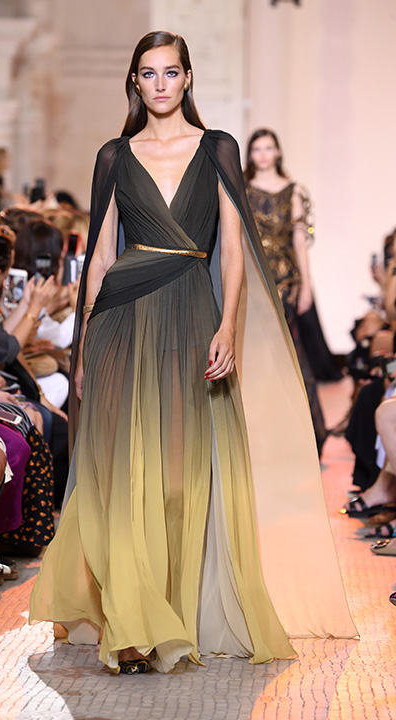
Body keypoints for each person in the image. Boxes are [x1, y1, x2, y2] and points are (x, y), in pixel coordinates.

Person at [29, 31, 356, 675]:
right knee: (124, 473)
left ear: (187, 79)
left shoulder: (218, 149)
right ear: (134, 81)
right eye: (148, 73)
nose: (160, 84)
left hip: (193, 318)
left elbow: (233, 250)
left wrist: (228, 325)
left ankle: (175, 609)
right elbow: (99, 256)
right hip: (122, 318)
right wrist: (85, 348)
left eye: (170, 72)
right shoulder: (114, 155)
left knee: (181, 480)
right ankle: (133, 625)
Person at [244, 129, 336, 455]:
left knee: (289, 354)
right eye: (257, 148)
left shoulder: (293, 191)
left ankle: (304, 437)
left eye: (269, 148)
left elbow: (299, 240)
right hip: (253, 279)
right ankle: (256, 437)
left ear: (278, 152)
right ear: (250, 154)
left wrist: (307, 285)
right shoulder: (242, 189)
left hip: (285, 282)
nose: (263, 154)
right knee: (255, 355)